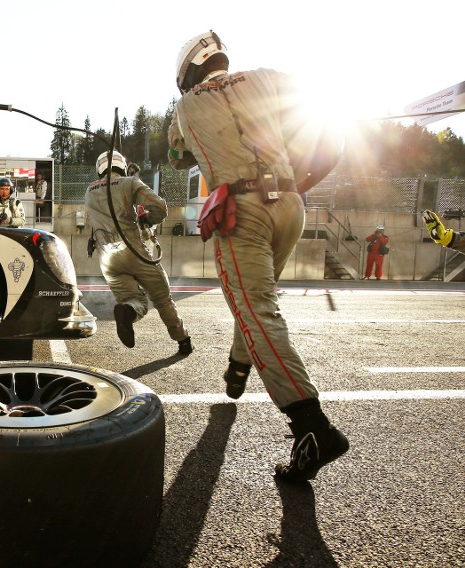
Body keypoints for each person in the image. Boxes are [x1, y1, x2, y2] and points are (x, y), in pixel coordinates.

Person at [168, 31, 347, 483]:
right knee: (257, 303)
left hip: (241, 211)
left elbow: (174, 157)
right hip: (289, 205)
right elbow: (331, 137)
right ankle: (238, 364)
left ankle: (312, 427)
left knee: (256, 310)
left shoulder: (186, 106)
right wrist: (297, 183)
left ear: (186, 73)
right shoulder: (270, 78)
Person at [85, 150, 193, 356]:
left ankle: (128, 312)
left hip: (107, 259)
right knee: (162, 299)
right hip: (134, 251)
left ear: (99, 168)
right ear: (122, 166)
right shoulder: (129, 183)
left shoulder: (89, 191)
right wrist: (146, 220)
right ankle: (183, 341)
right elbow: (160, 208)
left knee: (133, 300)